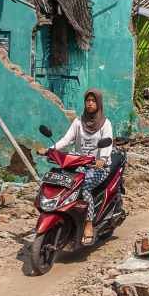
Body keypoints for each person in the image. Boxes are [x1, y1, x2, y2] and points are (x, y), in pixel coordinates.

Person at [38, 88, 113, 246]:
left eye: (93, 101)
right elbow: (66, 140)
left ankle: (88, 224)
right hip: (80, 165)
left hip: (98, 168)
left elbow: (107, 143)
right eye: (88, 100)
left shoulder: (106, 124)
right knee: (62, 179)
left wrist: (103, 159)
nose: (90, 104)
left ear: (99, 103)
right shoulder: (79, 122)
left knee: (84, 186)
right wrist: (50, 150)